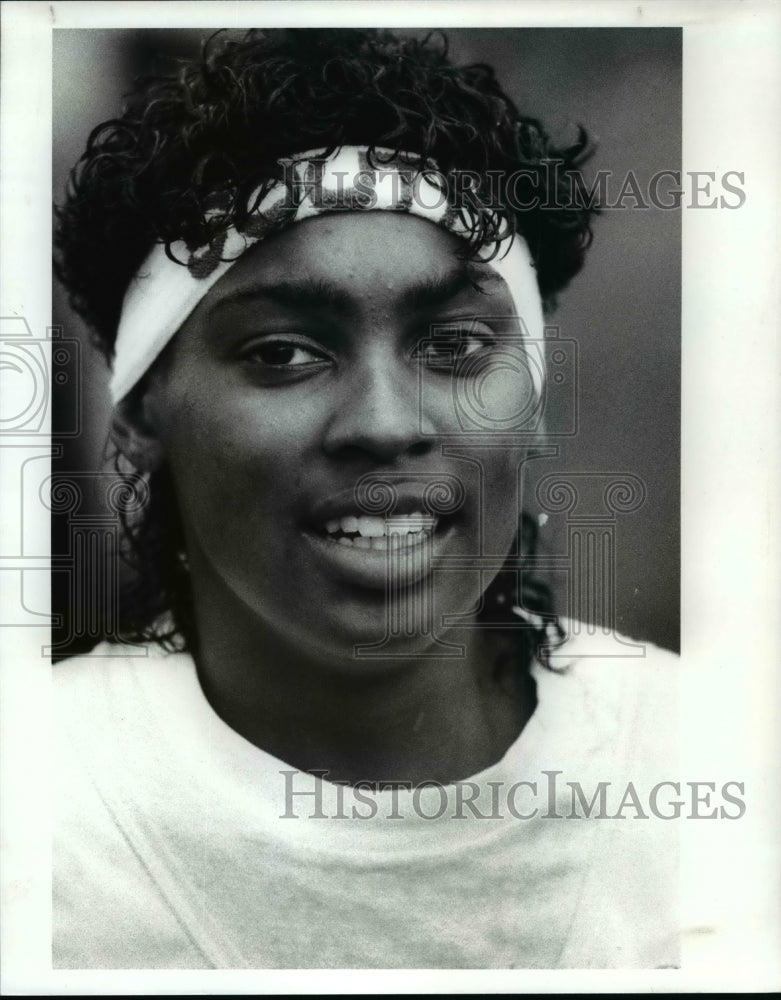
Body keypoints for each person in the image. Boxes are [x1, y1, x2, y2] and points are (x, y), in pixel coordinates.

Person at [52, 28, 679, 969]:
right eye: (282, 353)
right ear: (142, 412)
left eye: (456, 346)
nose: (383, 424)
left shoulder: (710, 765)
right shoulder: (46, 805)